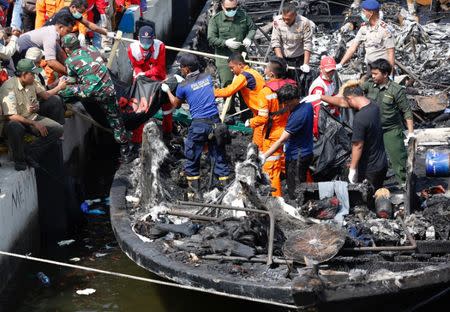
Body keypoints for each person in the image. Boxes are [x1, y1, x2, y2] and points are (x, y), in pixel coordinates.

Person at [161, 54, 230, 198]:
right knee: (219, 157)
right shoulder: (207, 78)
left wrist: (168, 90)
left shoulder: (183, 86)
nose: (180, 70)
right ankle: (225, 192)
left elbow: (176, 104)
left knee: (192, 158)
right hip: (216, 123)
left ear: (186, 69)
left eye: (181, 67)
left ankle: (194, 194)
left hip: (199, 125)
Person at [57, 33, 133, 160]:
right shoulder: (92, 48)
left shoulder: (70, 61)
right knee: (115, 119)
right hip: (108, 90)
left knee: (61, 92)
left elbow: (71, 80)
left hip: (89, 93)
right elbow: (102, 60)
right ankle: (125, 151)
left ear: (67, 49)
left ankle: (63, 109)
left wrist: (61, 84)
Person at [0, 59, 66, 170]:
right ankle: (19, 160)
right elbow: (10, 116)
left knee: (57, 129)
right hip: (16, 121)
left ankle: (30, 153)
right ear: (24, 74)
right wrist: (34, 123)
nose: (35, 76)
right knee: (14, 126)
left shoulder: (32, 82)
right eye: (32, 74)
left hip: (31, 117)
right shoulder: (9, 87)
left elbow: (44, 96)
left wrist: (37, 107)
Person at [252, 57, 295, 197]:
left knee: (272, 170)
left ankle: (276, 201)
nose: (264, 70)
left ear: (271, 73)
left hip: (273, 134)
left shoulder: (266, 92)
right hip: (290, 129)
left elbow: (263, 118)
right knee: (292, 163)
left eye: (266, 68)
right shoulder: (291, 85)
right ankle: (302, 193)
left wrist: (250, 122)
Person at [263, 83, 313, 200]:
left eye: (286, 102)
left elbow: (281, 140)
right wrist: (276, 114)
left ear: (294, 99)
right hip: (306, 151)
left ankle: (299, 210)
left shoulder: (297, 117)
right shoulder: (306, 106)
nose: (285, 105)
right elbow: (288, 108)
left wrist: (264, 156)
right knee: (302, 182)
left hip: (297, 157)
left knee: (295, 190)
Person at [127, 25, 172, 139]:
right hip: (141, 81)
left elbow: (160, 68)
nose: (146, 45)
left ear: (153, 38)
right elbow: (136, 66)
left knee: (166, 105)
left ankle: (168, 132)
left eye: (149, 42)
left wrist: (146, 74)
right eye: (143, 42)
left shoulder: (160, 46)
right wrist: (139, 74)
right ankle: (137, 139)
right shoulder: (132, 49)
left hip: (157, 79)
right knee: (139, 109)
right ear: (138, 38)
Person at [342, 82, 388, 190]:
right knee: (378, 193)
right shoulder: (375, 106)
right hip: (381, 162)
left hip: (369, 168)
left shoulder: (360, 118)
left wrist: (352, 169)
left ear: (350, 98)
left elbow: (358, 145)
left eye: (348, 102)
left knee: (367, 200)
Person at [214, 52, 265, 149]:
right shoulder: (254, 72)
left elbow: (228, 91)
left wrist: (214, 92)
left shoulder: (244, 76)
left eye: (232, 67)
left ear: (240, 65)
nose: (231, 70)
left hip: (261, 113)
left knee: (258, 145)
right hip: (261, 110)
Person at [207, 0, 256, 87]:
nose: (231, 11)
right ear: (222, 6)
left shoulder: (243, 15)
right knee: (228, 86)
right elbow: (211, 38)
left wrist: (248, 38)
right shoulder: (215, 20)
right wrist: (225, 43)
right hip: (225, 60)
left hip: (241, 57)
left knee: (246, 86)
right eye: (228, 9)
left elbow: (252, 28)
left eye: (234, 8)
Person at [337, 0, 395, 73]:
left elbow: (391, 53)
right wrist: (341, 64)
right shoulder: (364, 27)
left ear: (371, 13)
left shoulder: (385, 30)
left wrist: (390, 73)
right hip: (369, 67)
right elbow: (353, 48)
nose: (362, 14)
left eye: (364, 11)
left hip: (381, 70)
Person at [38, 0, 115, 46]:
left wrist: (106, 33)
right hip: (47, 38)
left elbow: (89, 24)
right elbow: (62, 37)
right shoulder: (65, 15)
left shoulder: (72, 11)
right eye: (80, 12)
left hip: (55, 37)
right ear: (73, 7)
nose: (80, 14)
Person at [270, 2, 314, 79]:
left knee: (297, 81)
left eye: (288, 19)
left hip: (298, 58)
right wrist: (281, 61)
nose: (286, 21)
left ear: (295, 15)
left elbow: (308, 43)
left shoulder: (304, 23)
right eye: (284, 19)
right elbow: (275, 41)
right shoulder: (277, 21)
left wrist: (306, 63)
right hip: (283, 56)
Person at [308, 56, 339, 138]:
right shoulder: (319, 86)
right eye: (328, 71)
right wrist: (316, 132)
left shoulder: (330, 81)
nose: (331, 73)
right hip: (321, 122)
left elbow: (332, 97)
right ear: (321, 69)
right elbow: (317, 111)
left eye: (332, 71)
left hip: (329, 116)